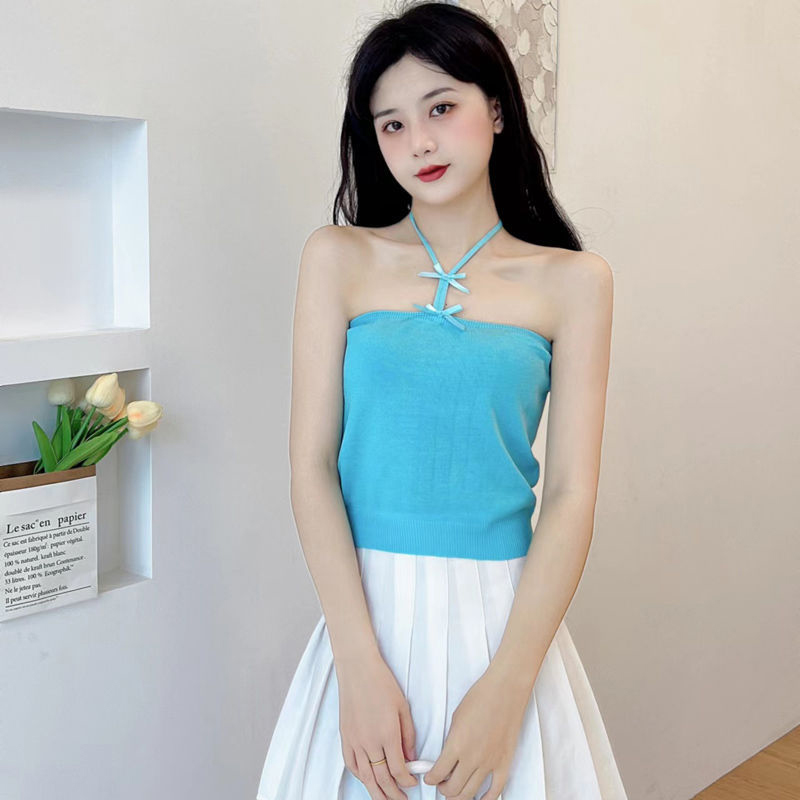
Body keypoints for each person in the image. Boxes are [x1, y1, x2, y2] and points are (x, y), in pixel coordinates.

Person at [257, 2, 628, 798]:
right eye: (391, 124)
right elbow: (311, 469)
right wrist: (357, 666)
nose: (418, 142)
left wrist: (509, 687)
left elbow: (571, 494)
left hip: (504, 623)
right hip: (365, 621)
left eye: (440, 108)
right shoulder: (337, 258)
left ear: (496, 109)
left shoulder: (575, 282)